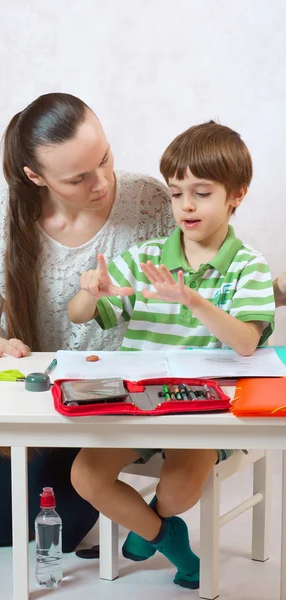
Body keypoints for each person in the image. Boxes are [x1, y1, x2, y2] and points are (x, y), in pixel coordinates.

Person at [0, 92, 175, 550]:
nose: (102, 181)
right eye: (78, 178)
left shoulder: (148, 202)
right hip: (0, 369)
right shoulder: (0, 213)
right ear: (36, 176)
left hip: (86, 381)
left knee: (61, 524)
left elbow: (208, 276)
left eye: (105, 158)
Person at [68, 121, 275, 588]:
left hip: (205, 408)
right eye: (177, 192)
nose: (186, 205)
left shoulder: (249, 266)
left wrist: (193, 301)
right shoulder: (147, 258)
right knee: (86, 475)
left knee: (180, 489)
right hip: (137, 402)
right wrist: (88, 291)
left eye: (201, 193)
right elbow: (83, 313)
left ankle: (157, 524)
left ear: (236, 195)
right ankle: (169, 538)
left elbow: (245, 341)